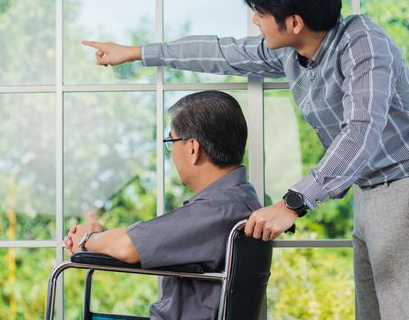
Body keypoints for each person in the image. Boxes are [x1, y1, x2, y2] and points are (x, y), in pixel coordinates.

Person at [80, 0, 409, 318]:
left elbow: (362, 129)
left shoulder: (362, 41)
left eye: (260, 13)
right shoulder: (292, 53)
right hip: (369, 192)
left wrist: (293, 202)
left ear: (293, 22)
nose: (255, 20)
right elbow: (222, 52)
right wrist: (137, 52)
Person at [64, 90, 262, 320]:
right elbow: (135, 241)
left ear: (192, 148)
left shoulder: (216, 209)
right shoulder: (241, 199)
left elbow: (127, 247)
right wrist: (100, 238)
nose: (171, 153)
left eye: (171, 141)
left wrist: (86, 240)